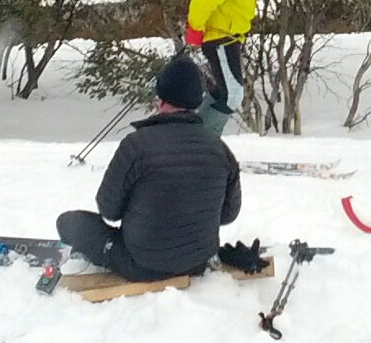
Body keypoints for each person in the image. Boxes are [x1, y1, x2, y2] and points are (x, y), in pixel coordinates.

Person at [56, 56, 241, 282]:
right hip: (197, 262)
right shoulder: (221, 150)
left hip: (142, 263)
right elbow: (228, 214)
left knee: (68, 222)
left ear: (161, 100)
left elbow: (108, 209)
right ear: (196, 102)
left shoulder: (136, 146)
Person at [183, 0, 290, 117]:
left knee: (224, 93)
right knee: (232, 96)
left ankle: (194, 135)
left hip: (229, 40)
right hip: (220, 39)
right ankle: (199, 140)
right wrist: (195, 29)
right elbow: (202, 3)